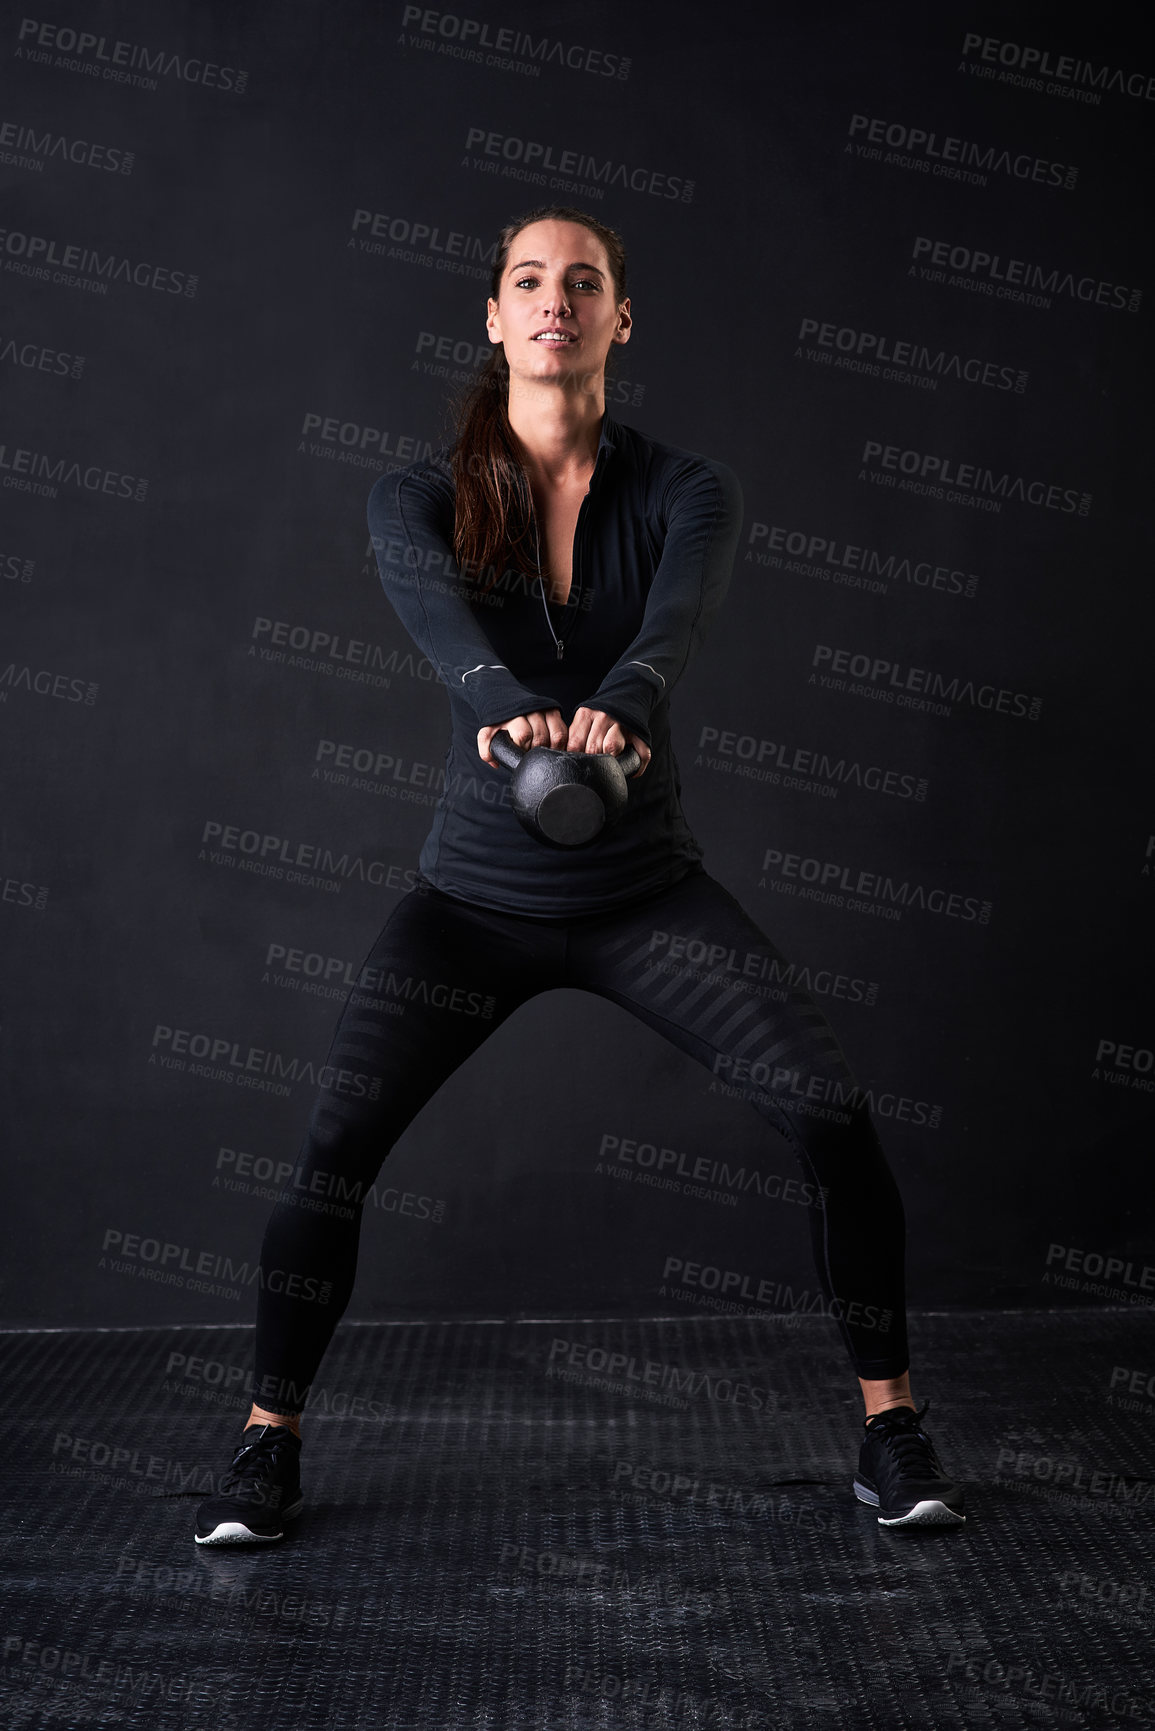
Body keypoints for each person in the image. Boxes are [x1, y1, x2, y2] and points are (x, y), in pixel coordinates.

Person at [194, 205, 964, 1545]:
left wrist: (624, 705)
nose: (558, 299)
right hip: (471, 909)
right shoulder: (414, 497)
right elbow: (443, 624)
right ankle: (267, 1447)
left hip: (643, 901)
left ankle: (891, 1428)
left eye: (587, 281)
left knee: (833, 1118)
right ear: (495, 319)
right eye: (530, 280)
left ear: (620, 320)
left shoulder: (688, 489)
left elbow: (673, 626)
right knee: (328, 1154)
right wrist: (498, 695)